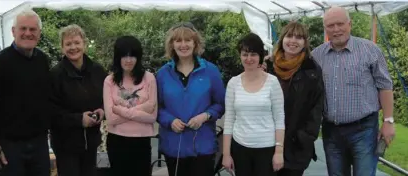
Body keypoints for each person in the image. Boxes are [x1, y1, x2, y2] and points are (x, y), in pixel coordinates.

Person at [312, 6, 395, 176]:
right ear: (325, 29)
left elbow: (385, 86)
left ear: (349, 24)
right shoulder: (316, 56)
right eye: (330, 25)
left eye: (340, 24)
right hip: (331, 131)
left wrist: (388, 121)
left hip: (363, 130)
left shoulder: (370, 50)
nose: (336, 29)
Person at [0, 9, 52, 176]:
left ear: (39, 33)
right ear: (13, 31)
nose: (28, 33)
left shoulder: (42, 60)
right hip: (10, 146)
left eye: (33, 30)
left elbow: (47, 97)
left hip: (39, 143)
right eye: (23, 28)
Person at [156, 22, 226, 176]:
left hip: (203, 146)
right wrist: (170, 120)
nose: (183, 45)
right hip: (173, 147)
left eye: (188, 40)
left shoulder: (211, 71)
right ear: (172, 44)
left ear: (195, 43)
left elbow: (221, 104)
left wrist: (205, 116)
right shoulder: (162, 74)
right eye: (178, 41)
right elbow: (156, 107)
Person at [221, 33, 285, 176]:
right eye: (245, 54)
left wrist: (279, 151)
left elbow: (279, 119)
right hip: (240, 148)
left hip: (267, 149)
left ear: (260, 56)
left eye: (253, 54)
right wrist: (226, 154)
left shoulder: (272, 82)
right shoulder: (233, 83)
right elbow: (229, 120)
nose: (249, 59)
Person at [266, 21, 325, 176]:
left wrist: (304, 137)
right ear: (282, 39)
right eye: (289, 35)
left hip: (295, 146)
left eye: (299, 37)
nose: (293, 40)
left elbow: (317, 108)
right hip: (265, 141)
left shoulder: (312, 70)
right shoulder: (267, 66)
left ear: (305, 43)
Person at [49, 24, 107, 176]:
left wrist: (102, 110)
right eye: (68, 44)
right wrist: (79, 120)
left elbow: (108, 98)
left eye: (77, 42)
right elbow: (51, 112)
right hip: (65, 145)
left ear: (84, 44)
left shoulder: (98, 71)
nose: (73, 47)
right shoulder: (55, 75)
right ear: (62, 48)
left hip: (92, 142)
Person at [104, 35, 158, 176]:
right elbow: (111, 119)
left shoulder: (149, 78)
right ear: (118, 57)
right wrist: (143, 108)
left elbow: (152, 116)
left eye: (132, 56)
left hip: (141, 142)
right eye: (124, 56)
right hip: (117, 141)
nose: (128, 60)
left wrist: (120, 110)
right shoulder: (109, 81)